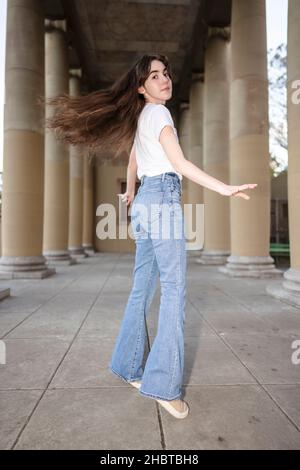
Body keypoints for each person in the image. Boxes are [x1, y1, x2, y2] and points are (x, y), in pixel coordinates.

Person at [43, 53, 257, 420]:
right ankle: (164, 386)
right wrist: (225, 189)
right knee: (174, 290)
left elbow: (134, 160)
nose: (165, 79)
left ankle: (129, 367)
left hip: (145, 202)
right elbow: (180, 164)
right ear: (142, 87)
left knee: (142, 287)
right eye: (154, 75)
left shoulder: (142, 117)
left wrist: (130, 193)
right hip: (162, 200)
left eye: (165, 73)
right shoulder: (159, 114)